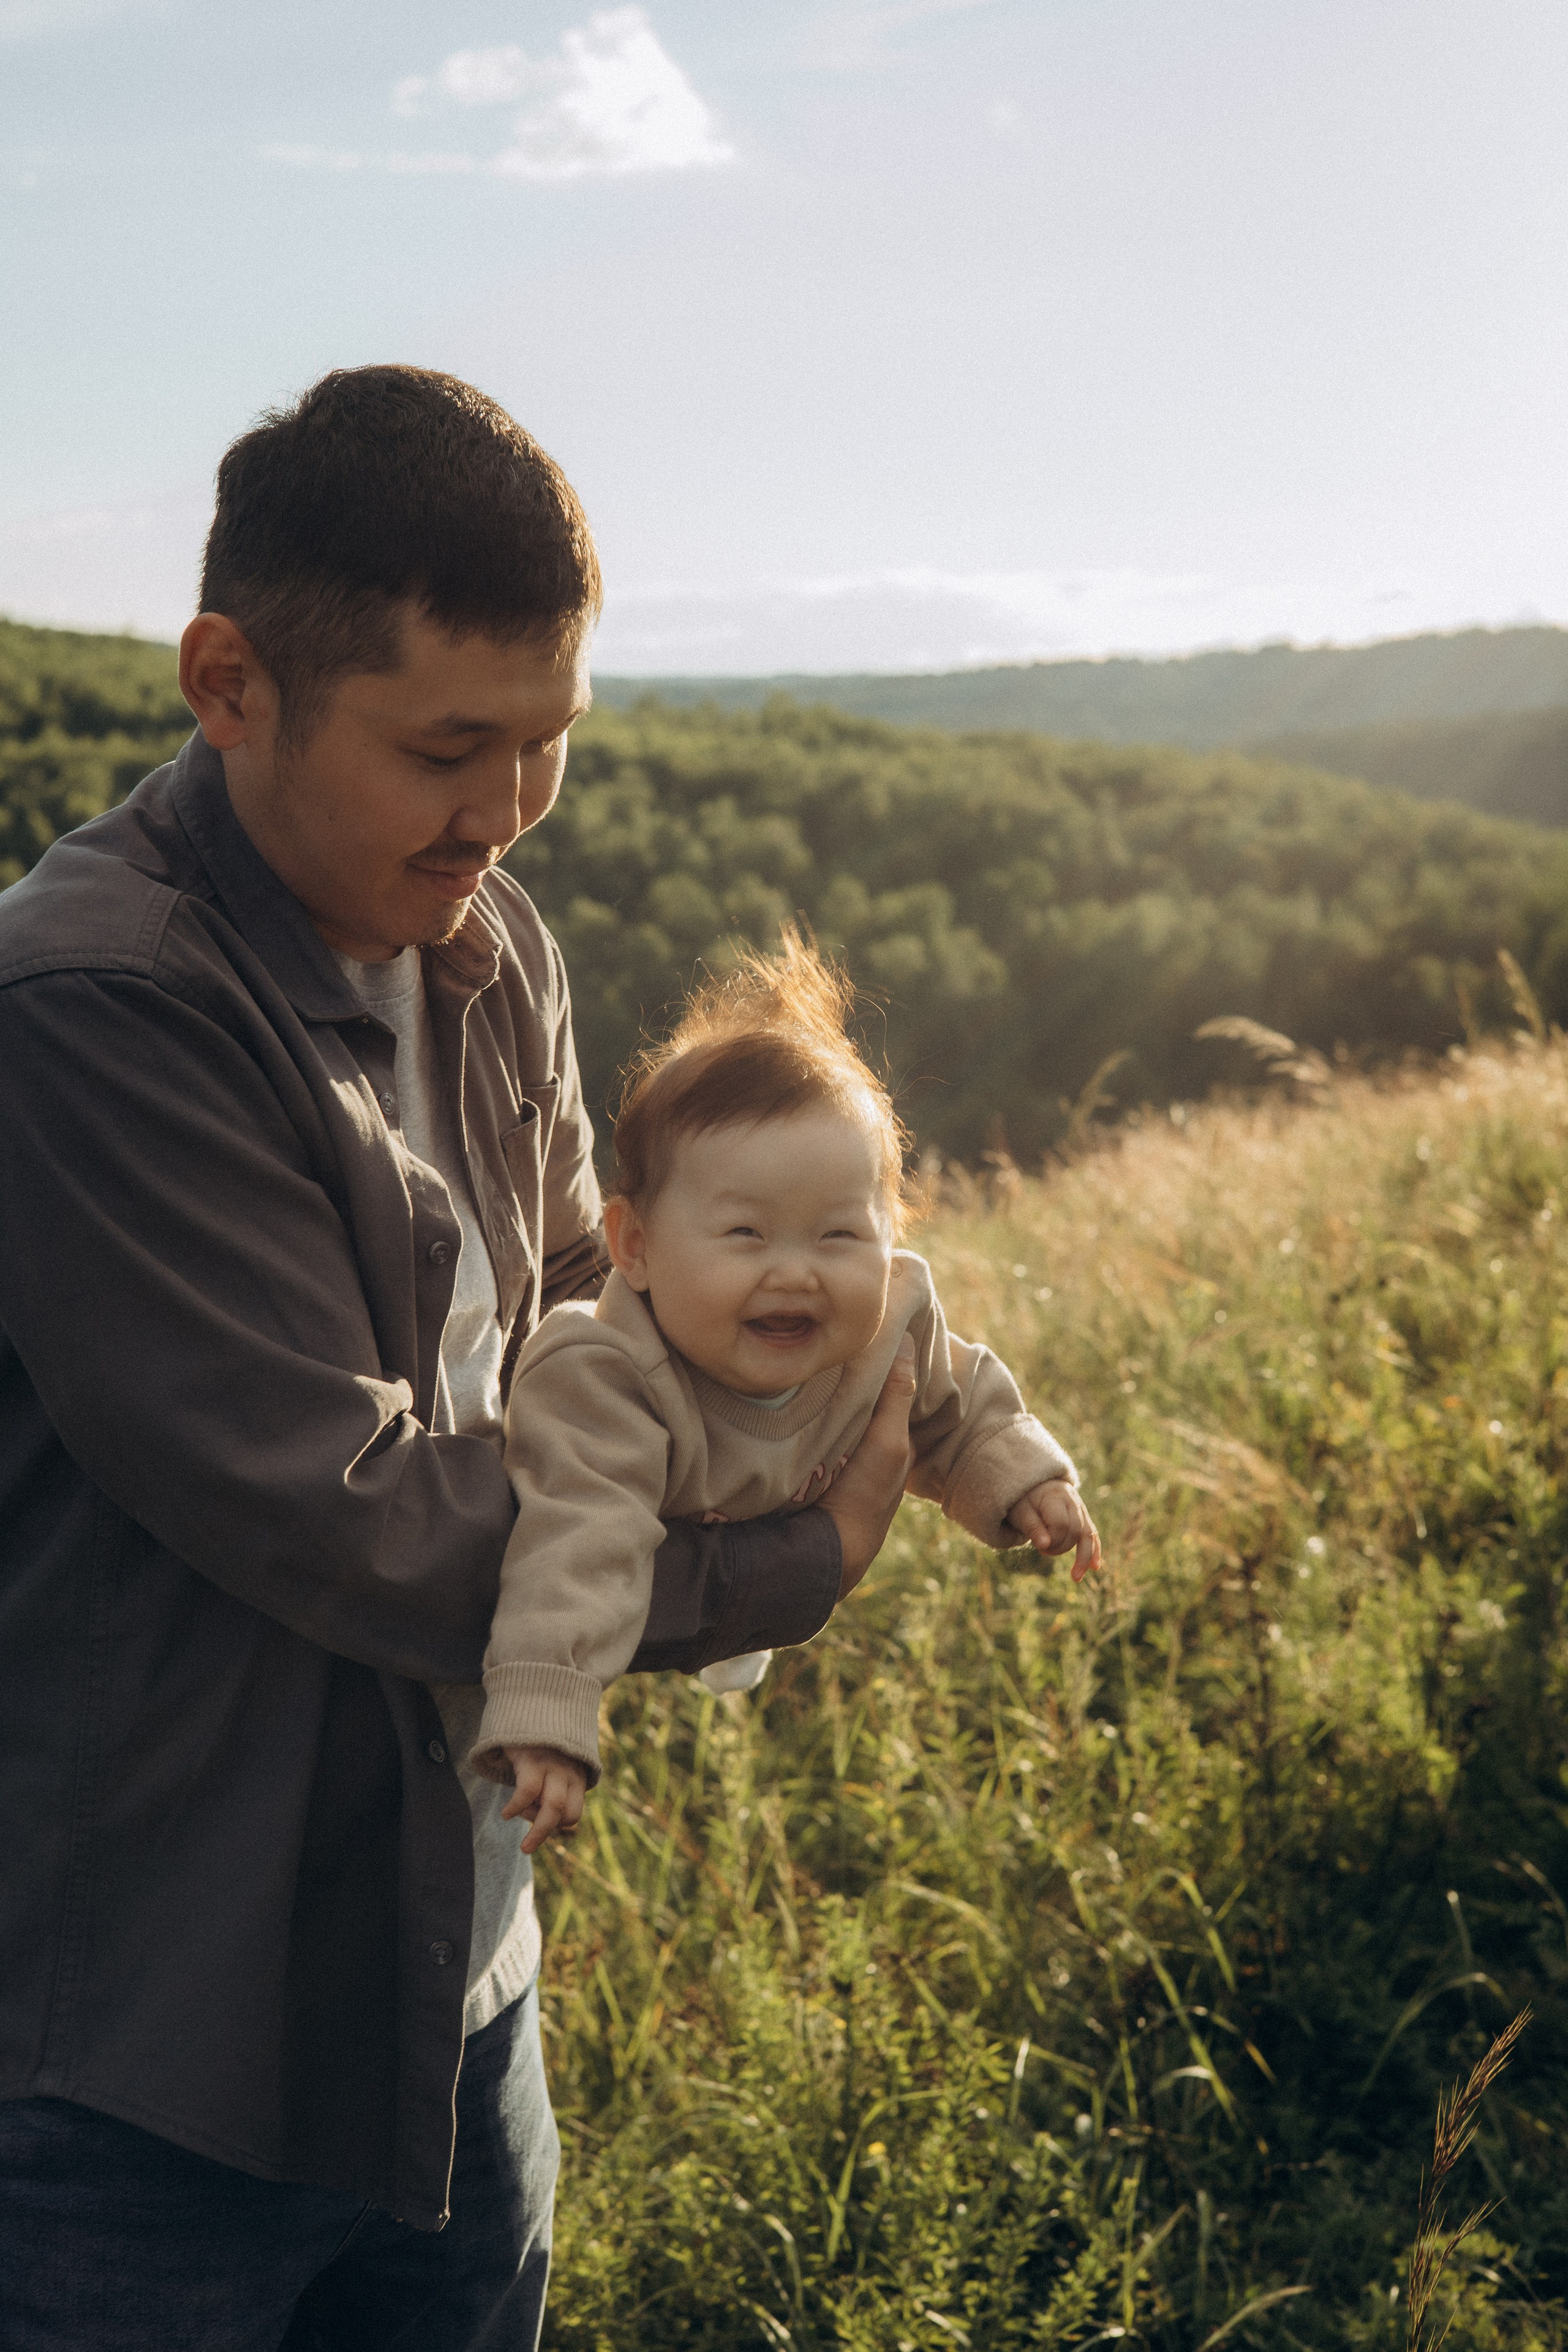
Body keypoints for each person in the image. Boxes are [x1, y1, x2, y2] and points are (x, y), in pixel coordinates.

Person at [0, 366, 918, 2352]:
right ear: (228, 683)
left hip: (450, 1990)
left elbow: (595, 1332)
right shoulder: (91, 1008)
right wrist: (793, 1561)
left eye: (549, 743)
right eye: (448, 748)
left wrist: (815, 1350)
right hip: (141, 2089)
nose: (501, 816)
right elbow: (370, 1521)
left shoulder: (490, 948)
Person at [469, 935, 1102, 1852]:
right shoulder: (601, 1378)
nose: (795, 1274)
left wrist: (1026, 1481)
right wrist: (551, 1713)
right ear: (635, 1245)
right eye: (746, 1233)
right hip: (663, 1597)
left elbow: (955, 1402)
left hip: (768, 1595)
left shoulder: (885, 1323)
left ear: (893, 1234)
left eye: (840, 1234)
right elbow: (580, 1539)